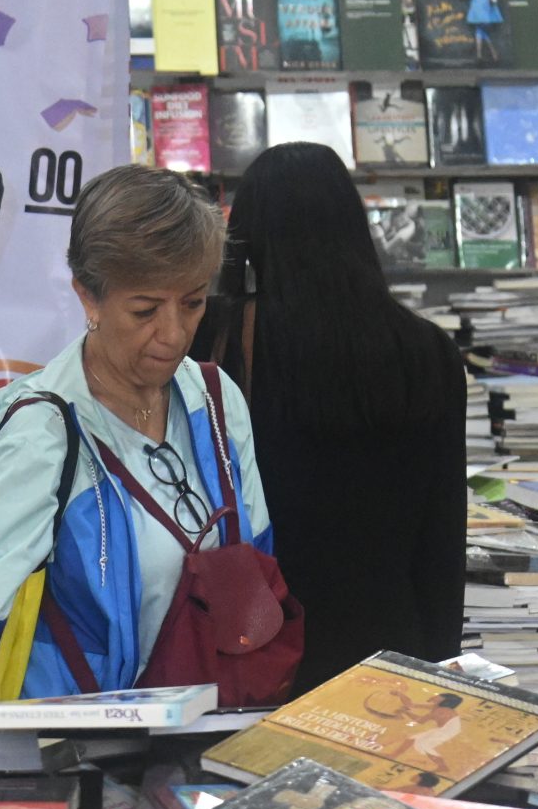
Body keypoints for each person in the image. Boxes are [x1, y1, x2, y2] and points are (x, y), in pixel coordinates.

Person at [0, 164, 272, 702]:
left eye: (194, 302)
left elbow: (256, 572)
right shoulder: (44, 431)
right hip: (81, 752)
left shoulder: (216, 399)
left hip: (209, 730)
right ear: (89, 297)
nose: (173, 334)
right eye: (145, 309)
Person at [190, 142, 467, 689]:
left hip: (260, 645)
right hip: (392, 649)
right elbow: (442, 536)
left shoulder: (220, 340)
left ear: (246, 235)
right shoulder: (428, 350)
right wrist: (441, 665)